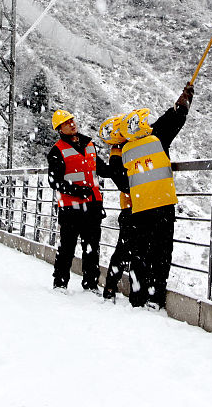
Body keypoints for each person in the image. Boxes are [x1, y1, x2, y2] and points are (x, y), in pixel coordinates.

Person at [109, 82, 194, 309]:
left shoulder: (124, 151)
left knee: (139, 255)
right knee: (162, 253)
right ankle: (156, 298)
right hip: (164, 204)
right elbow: (174, 121)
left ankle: (137, 296)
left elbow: (122, 181)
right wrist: (183, 102)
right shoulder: (157, 139)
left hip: (139, 209)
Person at [46, 108, 115, 291]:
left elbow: (101, 169)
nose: (72, 123)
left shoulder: (88, 144)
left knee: (92, 247)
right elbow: (54, 181)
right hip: (70, 208)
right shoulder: (57, 151)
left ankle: (91, 284)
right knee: (67, 247)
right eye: (67, 122)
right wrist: (77, 190)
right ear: (60, 129)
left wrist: (120, 166)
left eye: (72, 120)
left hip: (92, 205)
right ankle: (60, 284)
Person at [97, 115, 134, 301]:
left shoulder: (123, 149)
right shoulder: (118, 151)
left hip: (134, 206)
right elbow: (121, 180)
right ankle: (111, 287)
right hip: (131, 207)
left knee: (126, 250)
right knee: (125, 250)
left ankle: (113, 286)